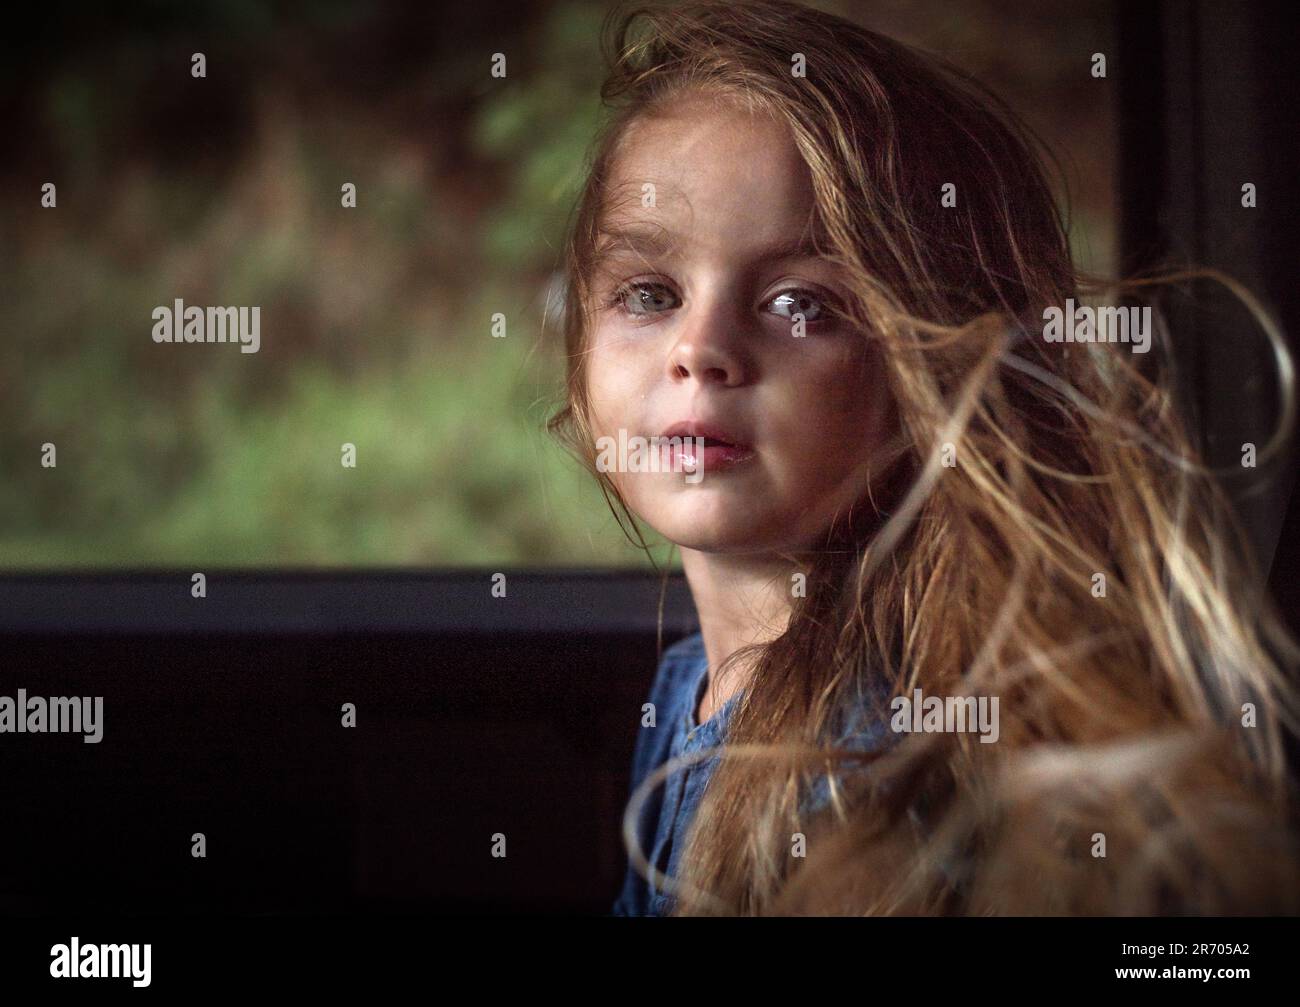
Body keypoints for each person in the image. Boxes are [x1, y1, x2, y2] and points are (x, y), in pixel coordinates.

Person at [547, 0, 1300, 915]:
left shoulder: (882, 758)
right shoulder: (684, 692)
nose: (700, 348)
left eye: (801, 305)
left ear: (929, 374)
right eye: (650, 292)